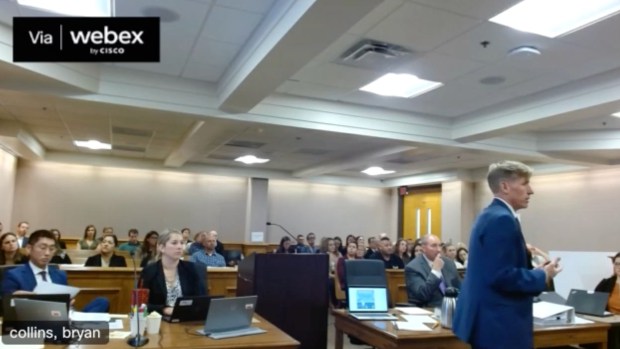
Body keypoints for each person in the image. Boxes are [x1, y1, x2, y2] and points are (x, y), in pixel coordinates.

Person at [453, 161, 562, 349]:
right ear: (505, 186)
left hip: (489, 319)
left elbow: (496, 269)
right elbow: (500, 276)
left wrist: (532, 270)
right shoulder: (502, 219)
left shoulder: (490, 214)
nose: (531, 190)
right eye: (524, 183)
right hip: (499, 323)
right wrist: (542, 275)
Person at [2, 230, 108, 312]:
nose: (48, 253)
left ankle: (78, 327)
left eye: (52, 249)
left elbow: (67, 303)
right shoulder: (14, 275)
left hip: (60, 317)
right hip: (32, 320)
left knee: (102, 301)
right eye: (43, 248)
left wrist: (69, 304)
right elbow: (4, 306)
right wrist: (14, 300)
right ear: (29, 249)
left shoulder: (60, 275)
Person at [140, 230, 206, 315]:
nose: (179, 247)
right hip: (159, 319)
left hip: (187, 319)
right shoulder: (149, 271)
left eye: (181, 243)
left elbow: (202, 300)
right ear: (161, 247)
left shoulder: (193, 269)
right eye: (174, 243)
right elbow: (141, 304)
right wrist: (164, 310)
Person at [405, 234, 460, 307]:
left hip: (452, 308)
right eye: (434, 246)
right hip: (429, 309)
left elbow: (459, 288)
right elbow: (422, 295)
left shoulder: (448, 263)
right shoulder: (413, 267)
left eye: (440, 245)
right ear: (423, 248)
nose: (439, 249)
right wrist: (435, 271)